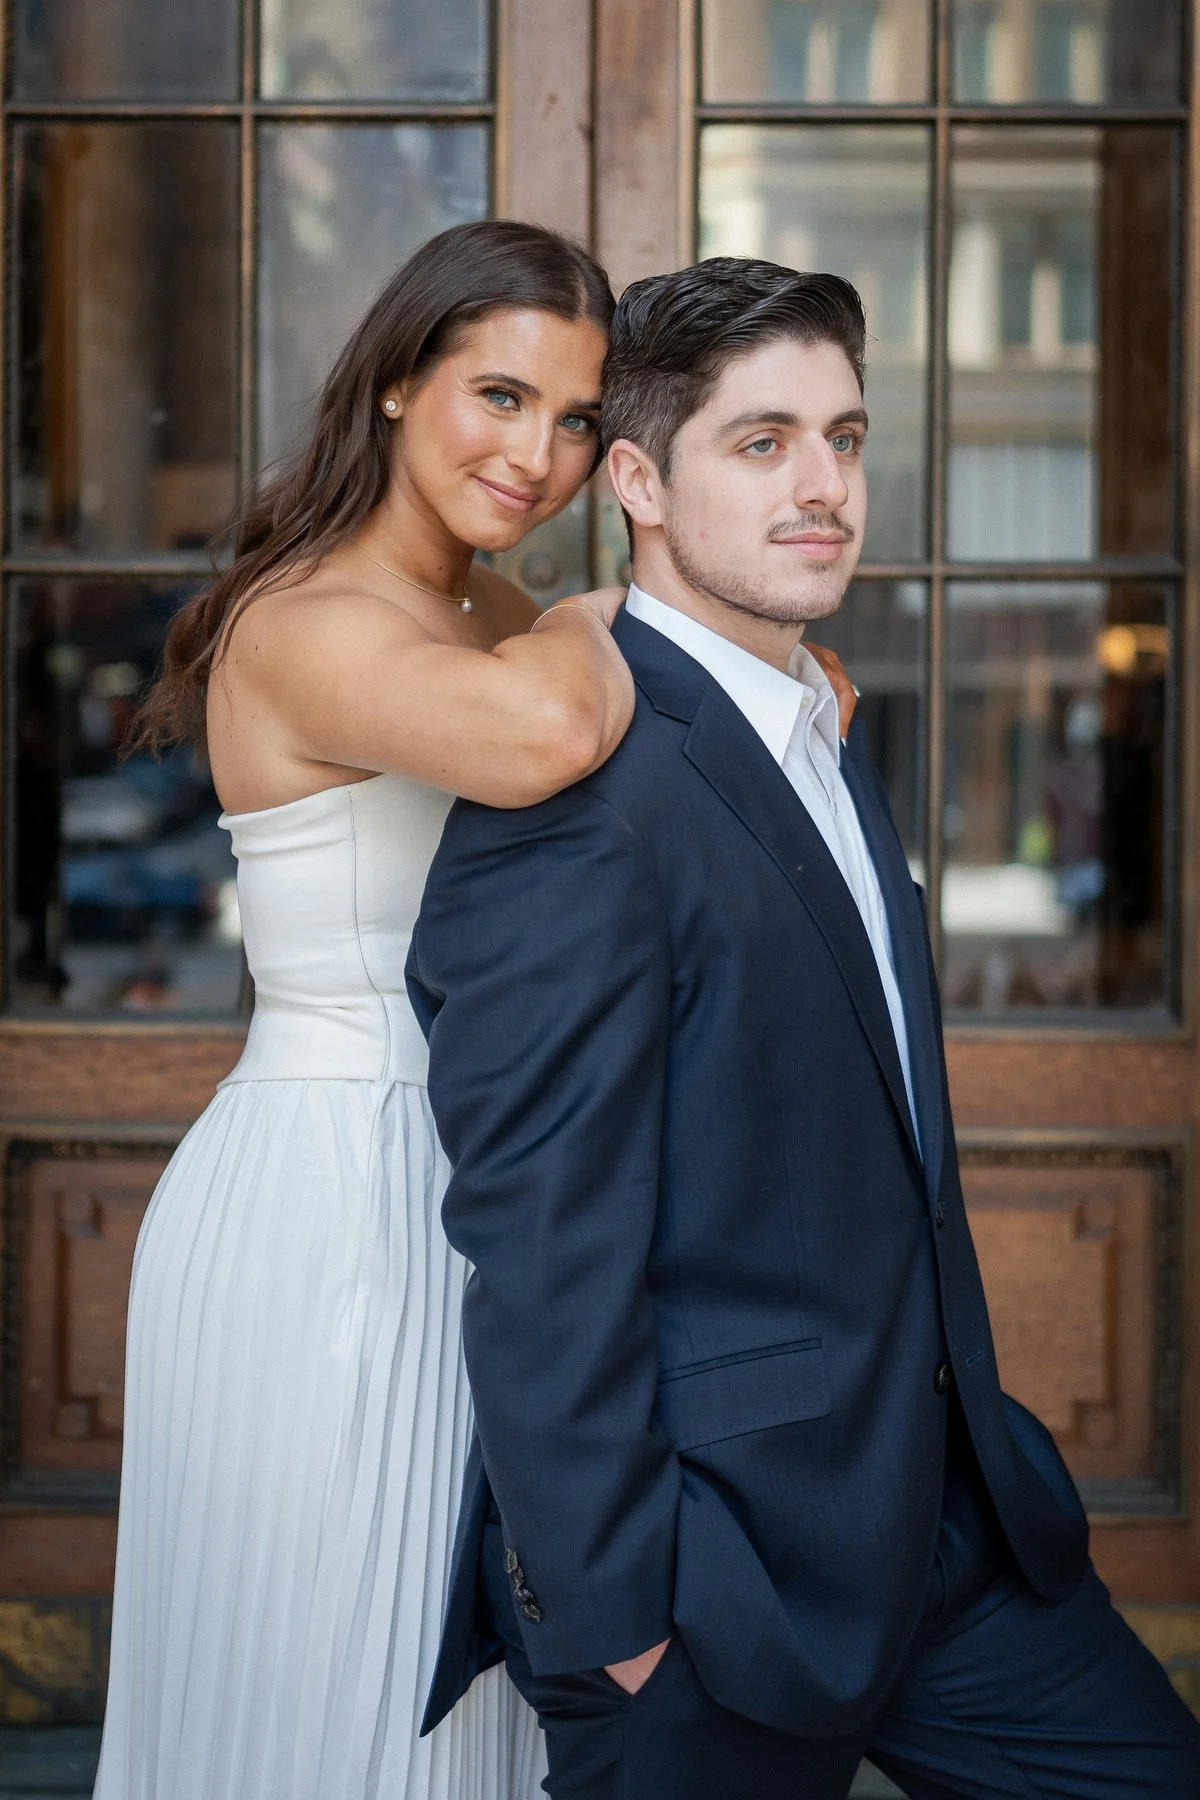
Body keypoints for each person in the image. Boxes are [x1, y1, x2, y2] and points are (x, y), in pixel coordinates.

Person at [407, 257, 1200, 1799]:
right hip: (720, 1581)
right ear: (635, 477)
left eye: (842, 437)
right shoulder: (572, 798)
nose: (824, 484)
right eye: (761, 443)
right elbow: (540, 1248)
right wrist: (621, 1627)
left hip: (958, 1536)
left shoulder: (822, 727)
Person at [93, 219, 633, 1800]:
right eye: (500, 396)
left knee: (456, 1695)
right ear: (400, 383)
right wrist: (627, 616)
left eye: (582, 419)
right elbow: (545, 737)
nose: (541, 455)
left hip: (486, 1188)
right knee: (329, 1675)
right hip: (327, 1202)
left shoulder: (498, 606)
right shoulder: (310, 620)